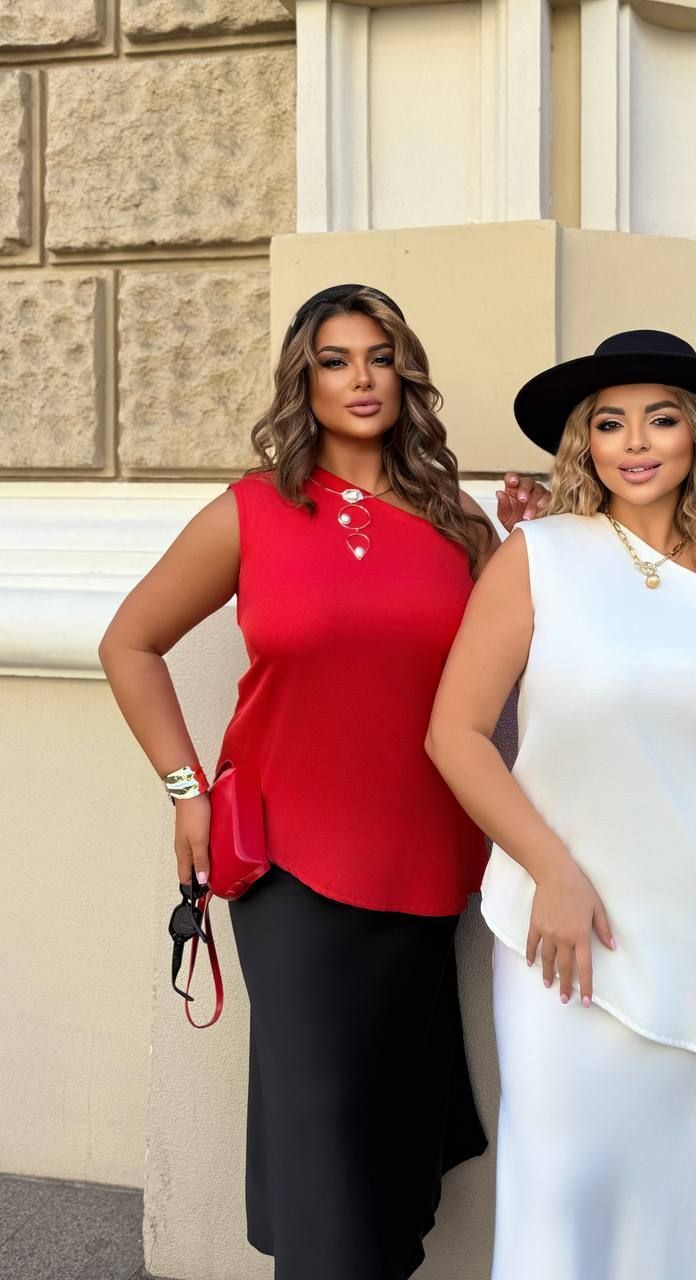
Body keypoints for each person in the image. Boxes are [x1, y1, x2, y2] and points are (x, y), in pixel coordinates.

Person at [98, 283, 549, 1280]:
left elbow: (508, 678)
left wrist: (535, 550)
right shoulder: (251, 510)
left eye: (379, 357)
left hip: (426, 861)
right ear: (304, 379)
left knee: (388, 1127)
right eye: (336, 360)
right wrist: (184, 788)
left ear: (405, 374)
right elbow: (128, 642)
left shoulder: (459, 523)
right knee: (321, 1125)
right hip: (288, 863)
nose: (361, 378)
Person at [425, 330, 696, 1280]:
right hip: (578, 948)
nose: (634, 441)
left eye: (660, 419)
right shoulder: (538, 557)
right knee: (574, 1191)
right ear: (583, 443)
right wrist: (551, 869)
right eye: (609, 422)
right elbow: (454, 734)